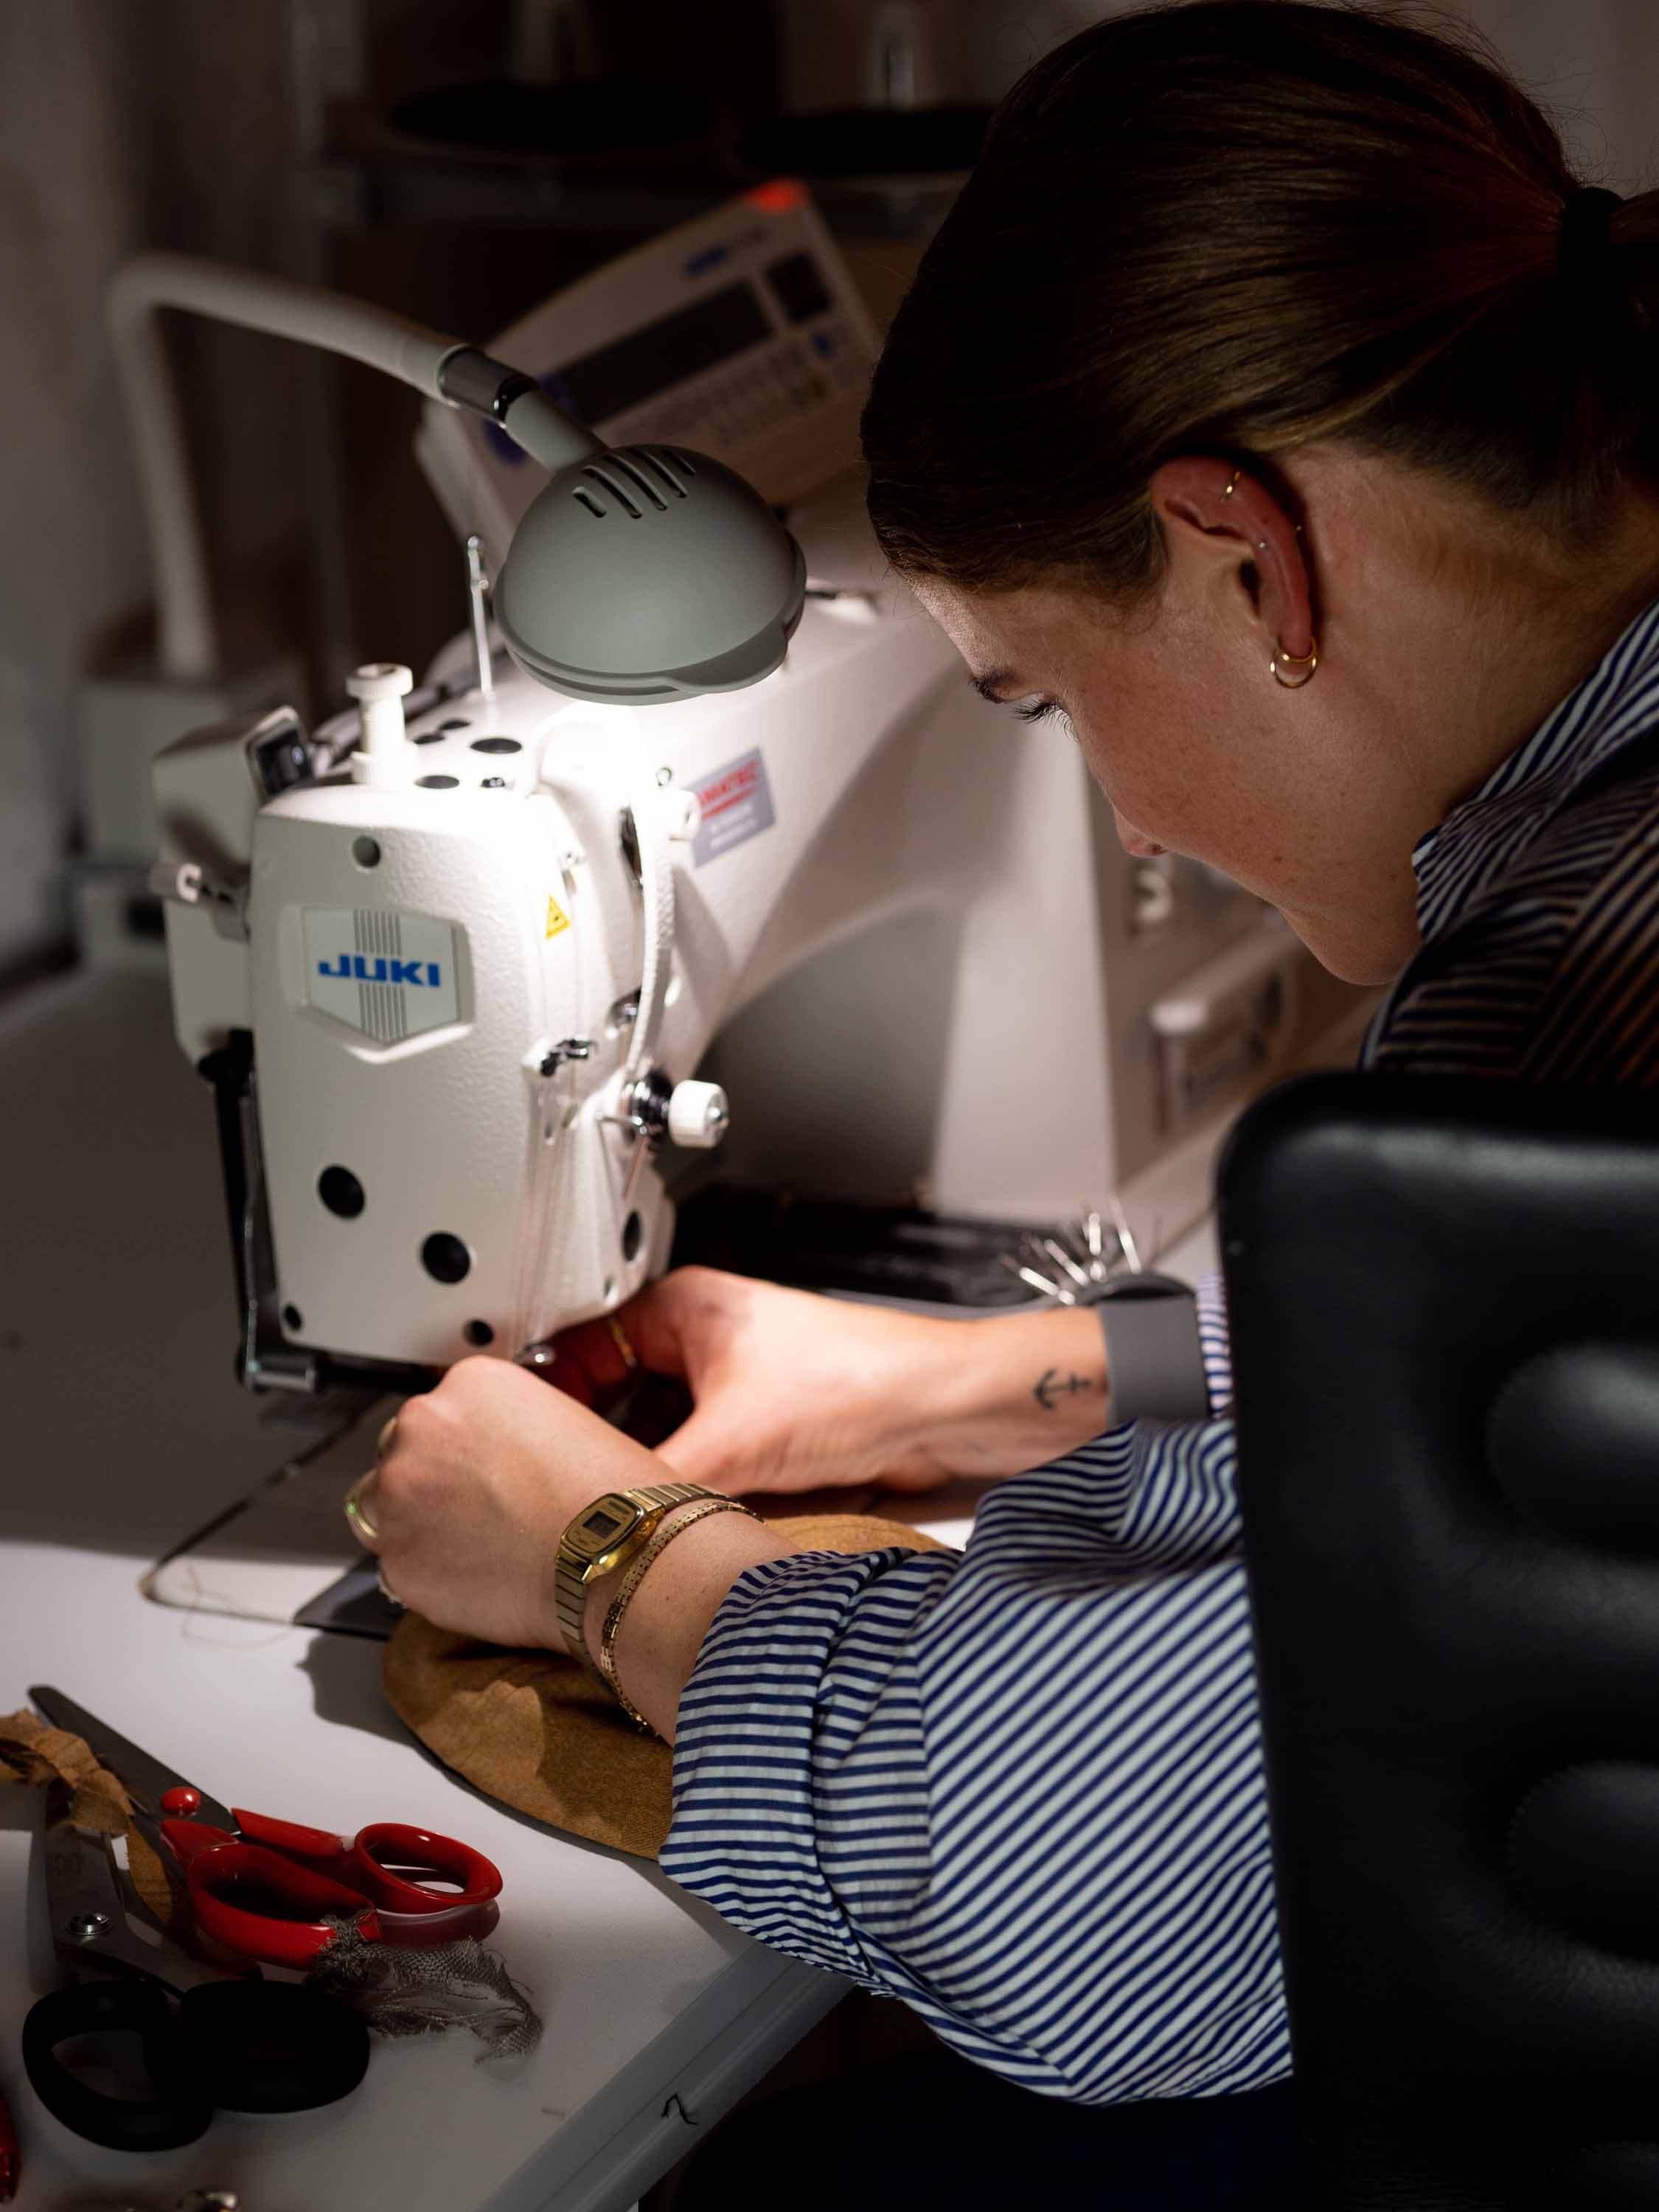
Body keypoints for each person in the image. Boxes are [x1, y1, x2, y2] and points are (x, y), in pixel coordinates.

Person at [355, 4, 1659, 2200]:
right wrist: (1014, 1375)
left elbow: (1068, 1895)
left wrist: (613, 1557)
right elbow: (1549, 1415)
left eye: (1045, 695)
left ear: (1249, 562)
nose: (1128, 817)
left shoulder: (1565, 1007)